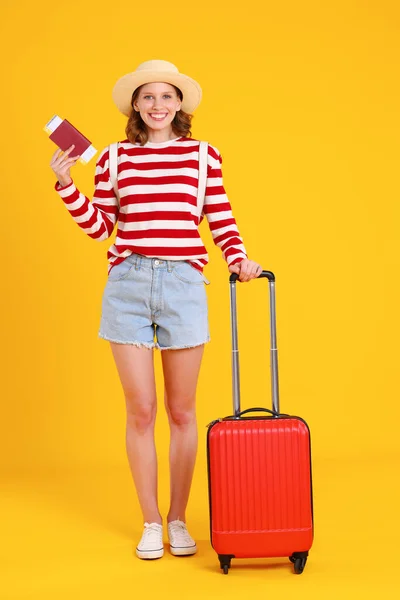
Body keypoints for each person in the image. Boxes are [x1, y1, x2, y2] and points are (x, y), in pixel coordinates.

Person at [50, 59, 262, 560]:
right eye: (148, 97)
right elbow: (103, 227)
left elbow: (221, 218)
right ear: (135, 106)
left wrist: (239, 258)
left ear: (180, 105)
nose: (158, 105)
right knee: (141, 410)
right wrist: (66, 187)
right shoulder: (113, 160)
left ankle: (178, 518)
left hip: (184, 282)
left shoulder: (203, 157)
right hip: (127, 282)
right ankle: (150, 521)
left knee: (182, 411)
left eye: (167, 96)